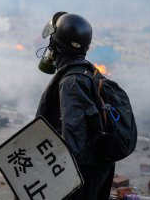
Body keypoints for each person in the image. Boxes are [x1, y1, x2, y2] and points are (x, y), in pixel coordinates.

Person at [36, 12, 115, 200]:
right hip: (97, 165)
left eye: (52, 42)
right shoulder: (87, 70)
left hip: (84, 172)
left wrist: (58, 178)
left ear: (57, 46)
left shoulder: (71, 82)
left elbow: (74, 136)